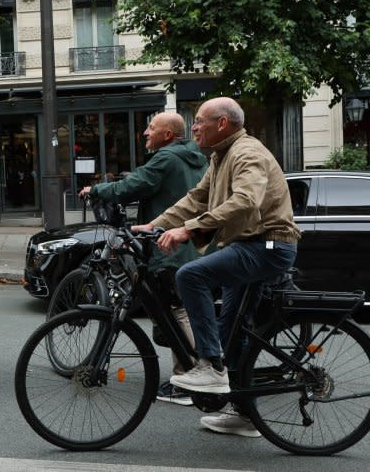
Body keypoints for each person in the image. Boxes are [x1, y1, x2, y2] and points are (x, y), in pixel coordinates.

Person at [135, 97, 300, 437]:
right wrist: (156, 225)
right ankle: (244, 413)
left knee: (190, 274)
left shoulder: (246, 153)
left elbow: (246, 200)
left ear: (221, 124)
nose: (193, 127)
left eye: (198, 121)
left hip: (268, 246)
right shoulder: (221, 155)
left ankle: (210, 367)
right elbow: (195, 197)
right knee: (232, 332)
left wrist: (189, 230)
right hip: (251, 245)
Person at [79, 111, 207, 406]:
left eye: (152, 127)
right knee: (182, 308)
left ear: (168, 134)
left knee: (178, 310)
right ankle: (192, 372)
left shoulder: (166, 158)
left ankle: (191, 377)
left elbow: (133, 186)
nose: (146, 132)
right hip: (188, 243)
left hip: (171, 245)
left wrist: (96, 189)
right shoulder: (194, 158)